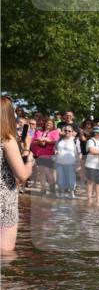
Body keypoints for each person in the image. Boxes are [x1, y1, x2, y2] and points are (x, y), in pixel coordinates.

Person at [1, 97, 35, 254]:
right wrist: (30, 162)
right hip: (4, 203)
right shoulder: (6, 140)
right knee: (5, 253)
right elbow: (22, 175)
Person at [54, 125, 80, 198]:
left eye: (69, 131)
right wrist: (55, 151)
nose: (67, 132)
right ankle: (61, 192)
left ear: (72, 132)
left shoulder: (75, 140)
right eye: (65, 130)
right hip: (59, 163)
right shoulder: (59, 140)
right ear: (63, 131)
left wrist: (78, 163)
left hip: (71, 163)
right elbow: (55, 148)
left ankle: (71, 192)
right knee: (60, 179)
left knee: (71, 179)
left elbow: (79, 153)